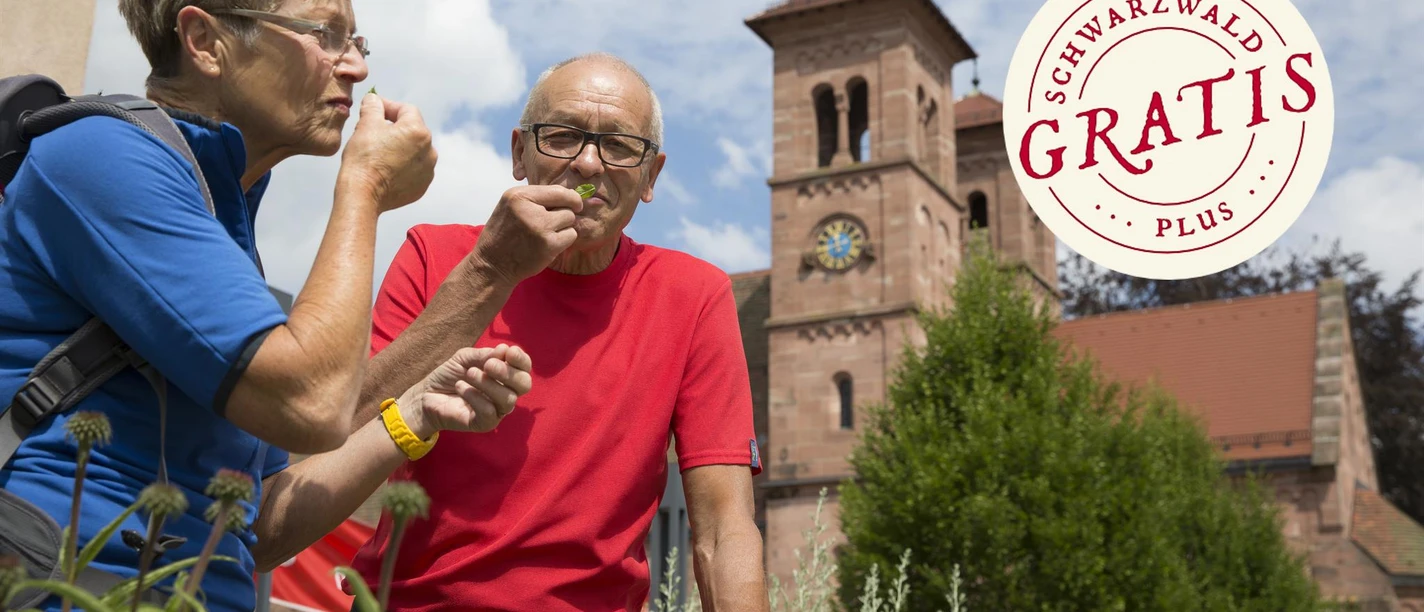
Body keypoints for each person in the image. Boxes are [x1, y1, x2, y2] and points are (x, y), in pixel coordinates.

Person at [0, 1, 532, 611]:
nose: (356, 67)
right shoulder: (101, 156)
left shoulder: (221, 220)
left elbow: (260, 525)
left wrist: (412, 415)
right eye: (326, 35)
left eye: (357, 41)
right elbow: (312, 404)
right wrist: (365, 188)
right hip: (62, 587)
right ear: (204, 40)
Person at [263, 53, 770, 611]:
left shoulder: (694, 295)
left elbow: (725, 529)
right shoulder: (436, 256)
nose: (588, 164)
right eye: (562, 136)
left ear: (651, 177)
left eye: (620, 146)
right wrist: (490, 271)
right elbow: (332, 434)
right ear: (518, 153)